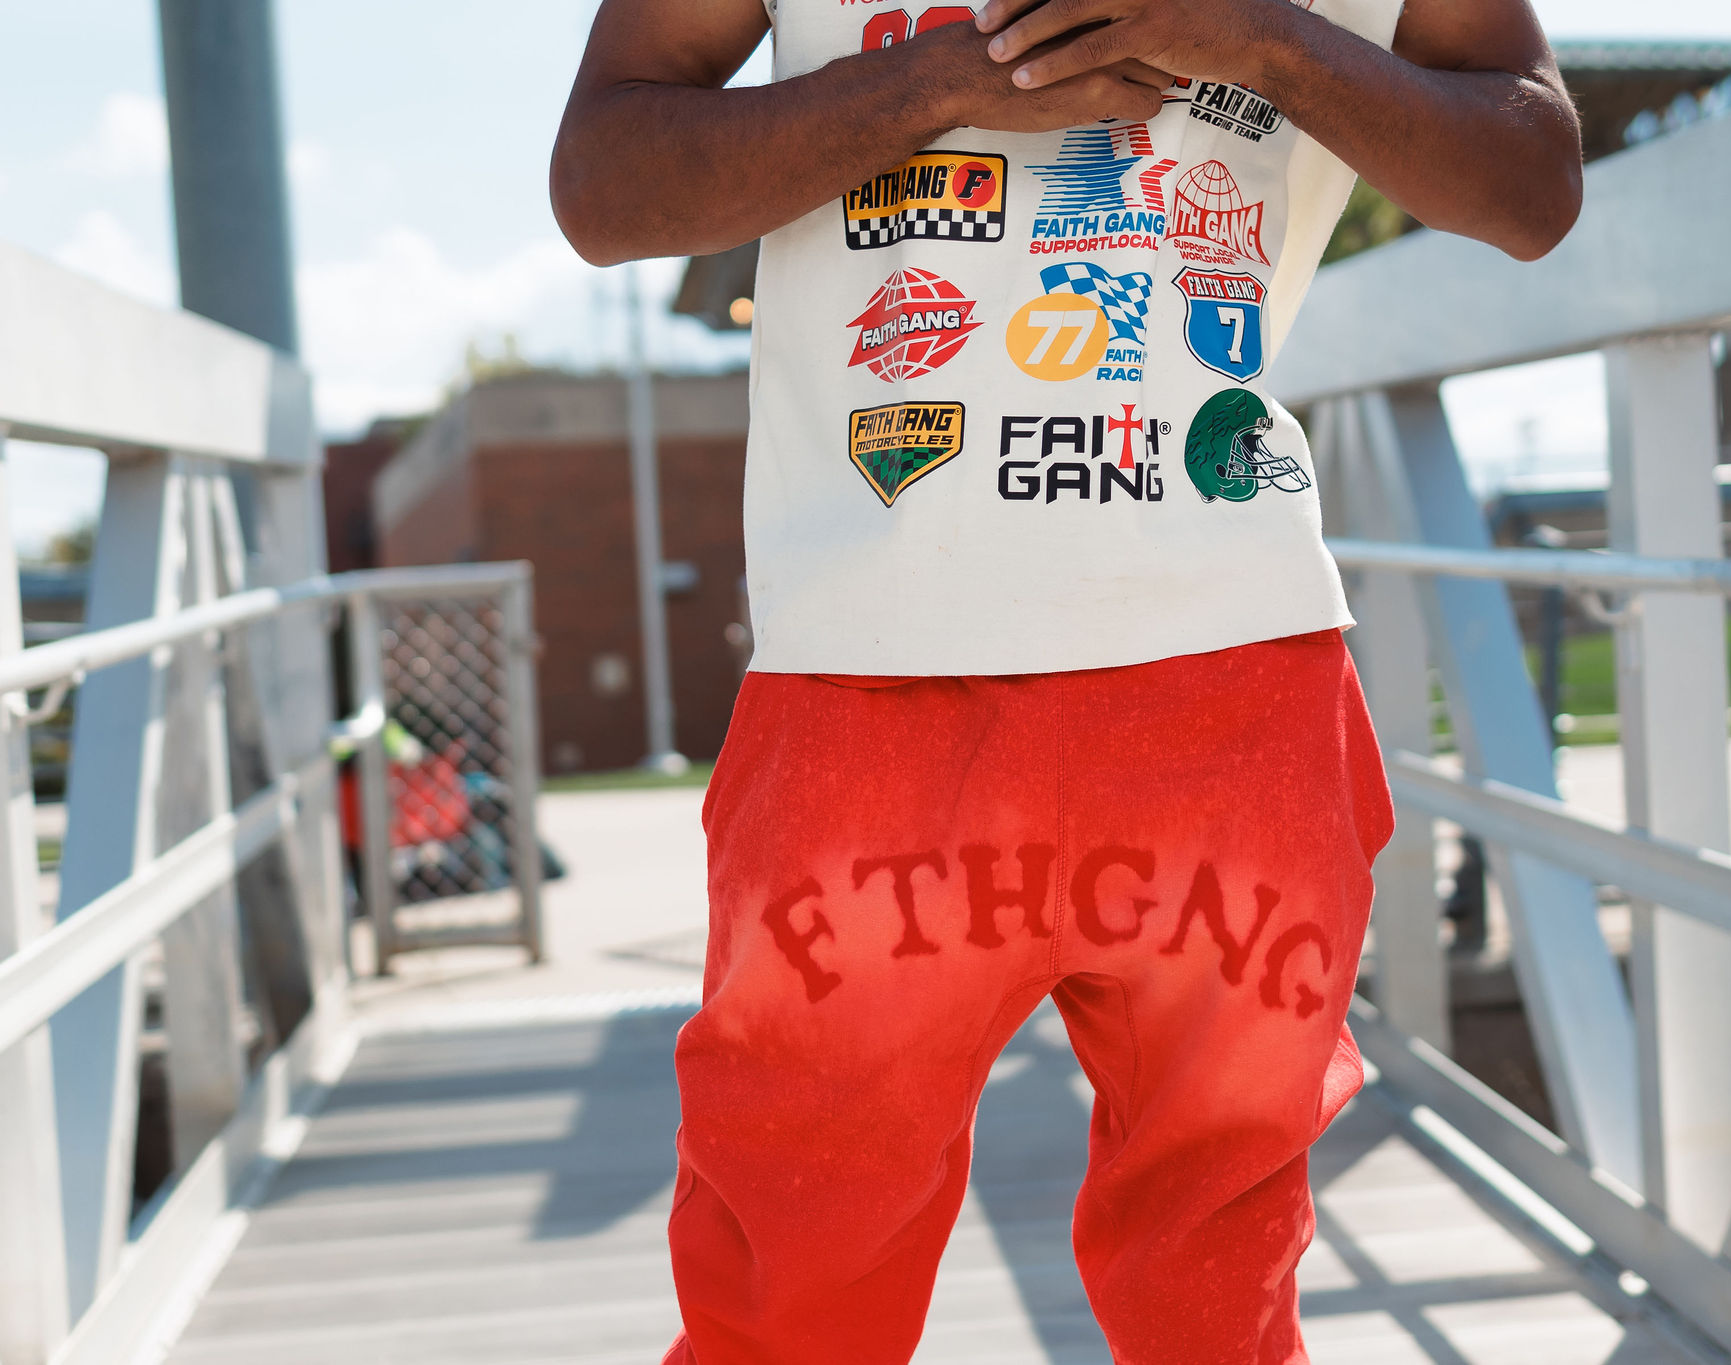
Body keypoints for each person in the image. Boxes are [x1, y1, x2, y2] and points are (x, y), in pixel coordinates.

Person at [552, 0, 1579, 1358]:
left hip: (1232, 676)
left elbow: (1534, 181)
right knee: (788, 1299)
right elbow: (603, 184)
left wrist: (1256, 38)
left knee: (1217, 1304)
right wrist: (926, 87)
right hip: (872, 679)